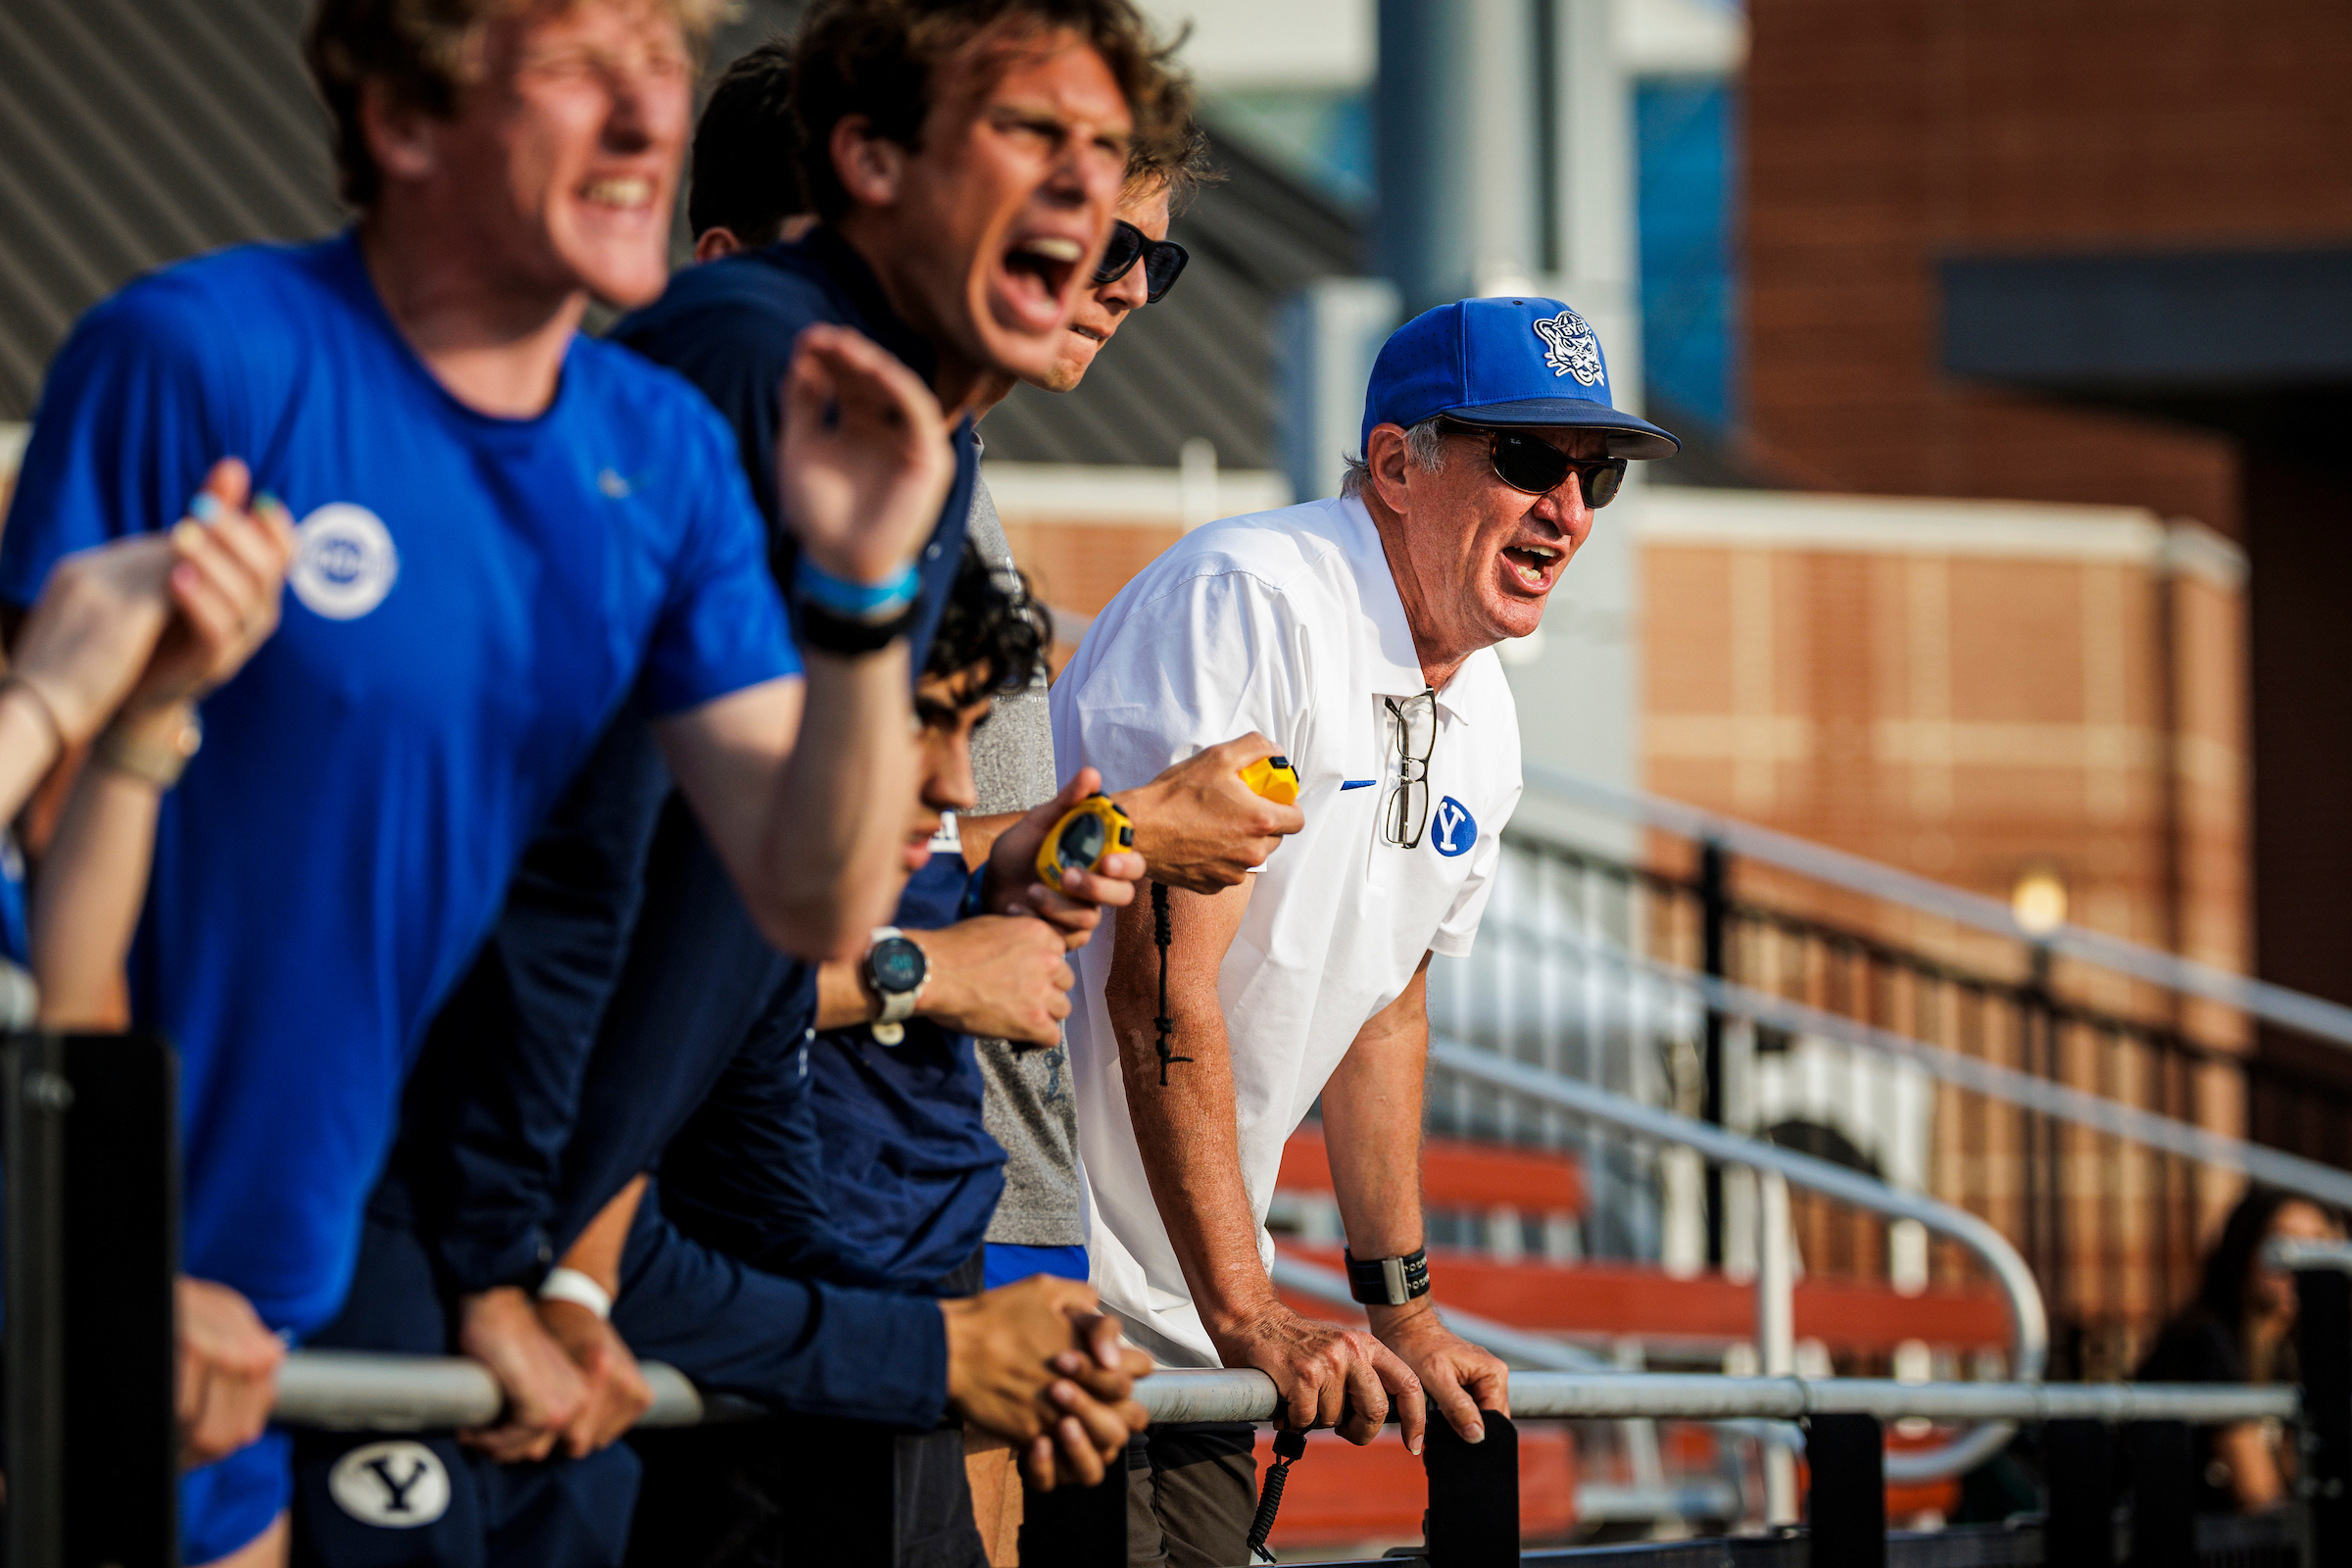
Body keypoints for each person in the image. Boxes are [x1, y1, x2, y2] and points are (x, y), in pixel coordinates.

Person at [0, 0, 958, 1558]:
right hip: (97, 1283)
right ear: (405, 122)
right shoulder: (197, 358)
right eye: (586, 70)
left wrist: (860, 599)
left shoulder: (657, 448)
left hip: (294, 1276)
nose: (651, 119)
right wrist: (107, 1259)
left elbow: (814, 890)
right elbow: (38, 885)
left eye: (668, 64)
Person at [293, 544, 1150, 1568]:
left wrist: (1007, 1354)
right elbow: (545, 1238)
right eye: (925, 717)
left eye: (970, 730)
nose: (956, 787)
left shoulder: (753, 925)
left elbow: (758, 1222)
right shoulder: (555, 862)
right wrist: (946, 1352)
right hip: (328, 1322)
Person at [1051, 295, 1681, 1563]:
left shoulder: (1485, 709)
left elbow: (1386, 1009)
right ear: (1396, 465)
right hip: (1042, 1280)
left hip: (1191, 1307)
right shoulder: (1256, 598)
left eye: (1594, 473)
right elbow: (1155, 988)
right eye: (1524, 461)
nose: (1568, 509)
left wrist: (1403, 1312)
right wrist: (1250, 1310)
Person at [2137, 1186, 2343, 1512]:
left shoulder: (2290, 1348)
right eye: (2283, 1244)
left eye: (2319, 1244)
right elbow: (2260, 1497)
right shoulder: (2208, 1339)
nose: (2302, 1263)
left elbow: (2303, 1476)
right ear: (2245, 1249)